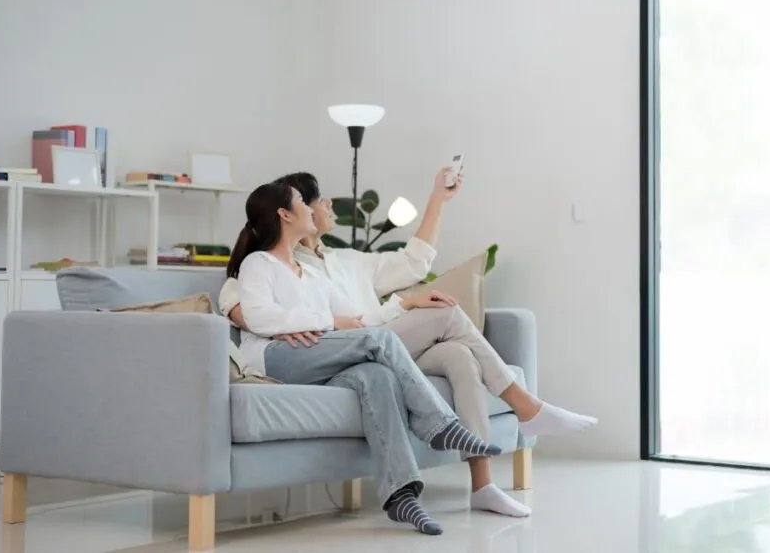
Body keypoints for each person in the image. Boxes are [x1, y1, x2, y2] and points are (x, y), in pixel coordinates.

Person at [221, 169, 598, 519]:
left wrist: (437, 203)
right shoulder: (267, 264)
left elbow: (410, 268)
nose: (328, 206)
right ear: (290, 214)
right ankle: (523, 408)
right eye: (316, 200)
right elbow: (247, 310)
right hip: (343, 348)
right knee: (445, 321)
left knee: (459, 355)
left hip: (378, 337)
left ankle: (483, 485)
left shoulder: (344, 262)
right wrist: (292, 325)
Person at [227, 180, 505, 536]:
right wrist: (326, 322)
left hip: (317, 356)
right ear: (284, 214)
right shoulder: (258, 264)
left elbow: (358, 321)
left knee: (377, 375)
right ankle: (441, 426)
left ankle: (401, 495)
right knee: (380, 343)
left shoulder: (310, 273)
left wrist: (403, 305)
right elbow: (259, 318)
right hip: (273, 359)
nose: (312, 209)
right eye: (301, 201)